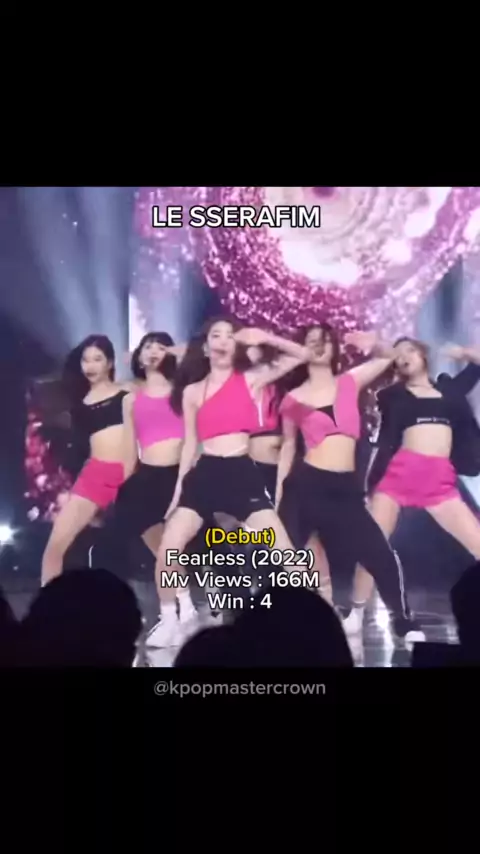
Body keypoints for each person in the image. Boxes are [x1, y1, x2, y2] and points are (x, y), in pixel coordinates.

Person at [147, 317, 310, 647]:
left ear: (236, 346)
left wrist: (265, 336)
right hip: (204, 474)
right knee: (169, 546)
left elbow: (303, 354)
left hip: (241, 473)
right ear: (206, 347)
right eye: (215, 336)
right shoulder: (193, 392)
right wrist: (178, 493)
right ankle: (169, 619)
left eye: (229, 336)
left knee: (284, 551)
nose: (222, 341)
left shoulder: (250, 379)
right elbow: (190, 444)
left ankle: (309, 619)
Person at [276, 324, 424, 644]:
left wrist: (376, 343)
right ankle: (265, 627)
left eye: (324, 341)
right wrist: (277, 498)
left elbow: (390, 356)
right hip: (306, 485)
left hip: (344, 489)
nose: (319, 346)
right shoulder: (293, 398)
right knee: (287, 559)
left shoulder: (349, 381)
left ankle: (403, 621)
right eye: (311, 341)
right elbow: (288, 447)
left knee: (380, 555)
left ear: (333, 349)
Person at [345, 338, 480, 634]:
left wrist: (463, 353)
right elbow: (366, 398)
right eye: (399, 355)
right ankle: (356, 610)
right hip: (399, 476)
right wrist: (381, 349)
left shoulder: (449, 390)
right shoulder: (392, 396)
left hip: (440, 481)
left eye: (410, 350)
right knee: (373, 545)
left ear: (423, 354)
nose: (404, 357)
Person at [41, 335, 137, 585]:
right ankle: (48, 602)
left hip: (129, 473)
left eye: (97, 359)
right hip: (94, 475)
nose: (91, 365)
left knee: (163, 543)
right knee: (55, 546)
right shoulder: (80, 404)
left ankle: (184, 598)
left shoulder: (127, 393)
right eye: (86, 360)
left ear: (110, 363)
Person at [247, 343, 332, 602]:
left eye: (254, 345)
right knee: (262, 538)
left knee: (302, 534)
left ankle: (324, 598)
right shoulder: (237, 385)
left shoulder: (286, 391)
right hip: (248, 470)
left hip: (285, 468)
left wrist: (281, 486)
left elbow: (293, 440)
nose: (249, 348)